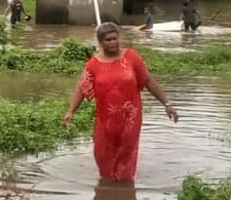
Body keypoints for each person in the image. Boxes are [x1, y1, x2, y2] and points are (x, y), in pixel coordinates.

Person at [62, 22, 178, 183]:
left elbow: (148, 80)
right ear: (100, 42)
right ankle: (107, 189)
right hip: (105, 120)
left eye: (115, 39)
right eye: (108, 40)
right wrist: (70, 112)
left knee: (126, 155)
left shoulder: (131, 57)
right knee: (102, 154)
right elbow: (82, 88)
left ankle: (124, 189)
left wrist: (167, 103)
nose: (112, 43)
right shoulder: (93, 65)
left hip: (130, 118)